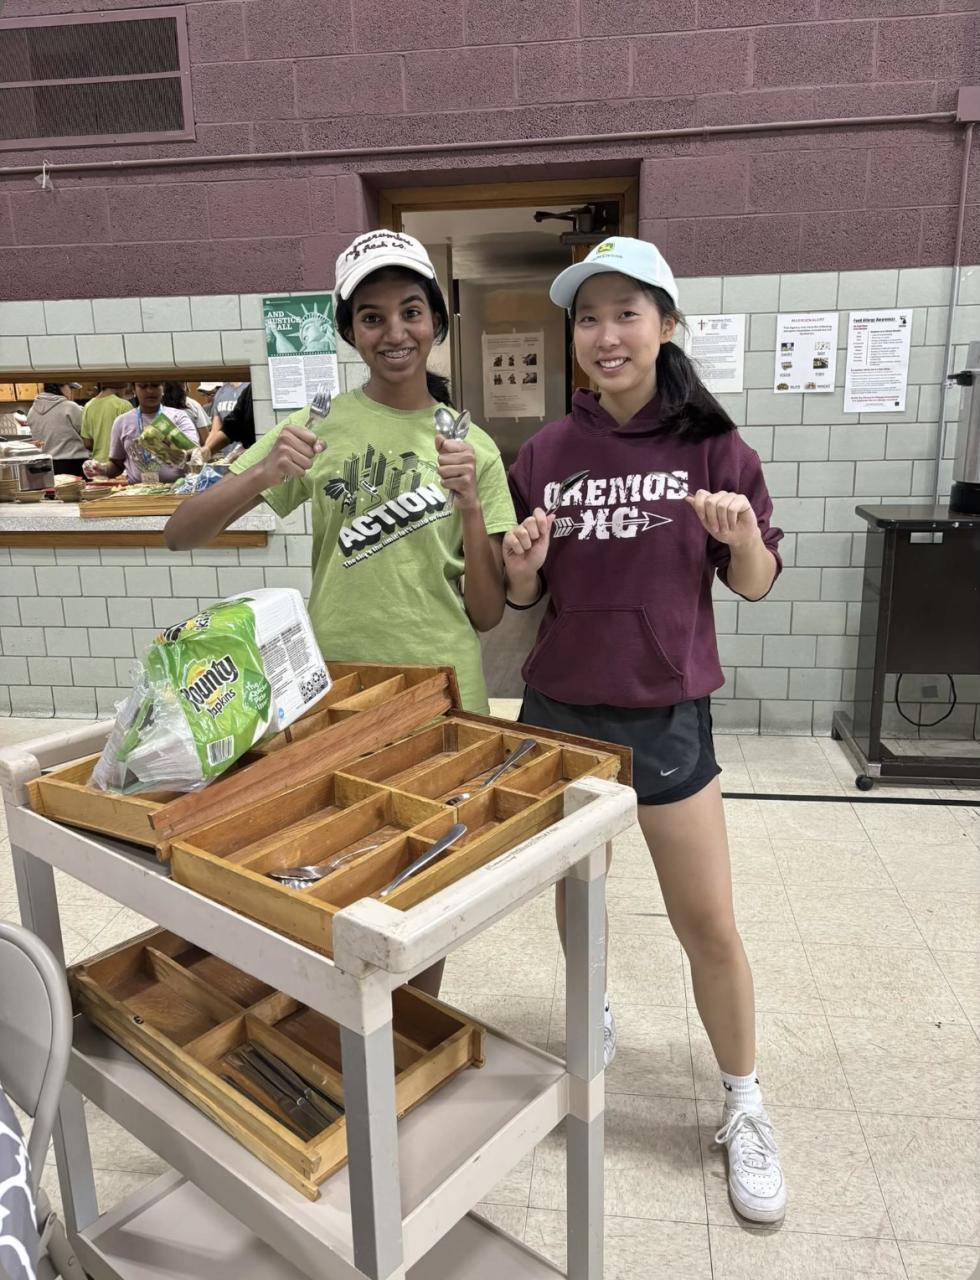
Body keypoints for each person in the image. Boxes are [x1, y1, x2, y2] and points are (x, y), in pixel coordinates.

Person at [502, 237, 787, 1225]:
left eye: (626, 312)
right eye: (588, 317)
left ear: (666, 325)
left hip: (664, 712)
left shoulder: (714, 446)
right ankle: (592, 1009)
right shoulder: (544, 454)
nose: (605, 334)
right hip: (560, 713)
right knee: (579, 894)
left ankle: (743, 1104)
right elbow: (523, 595)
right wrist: (522, 566)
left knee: (706, 922)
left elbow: (754, 582)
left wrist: (738, 538)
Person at [164, 231, 517, 992]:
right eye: (372, 317)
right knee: (334, 863)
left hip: (445, 695)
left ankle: (407, 1032)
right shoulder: (317, 429)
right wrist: (264, 470)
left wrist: (466, 504)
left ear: (437, 321)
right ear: (350, 332)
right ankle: (341, 1029)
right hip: (338, 691)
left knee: (426, 885)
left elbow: (488, 614)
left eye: (411, 311)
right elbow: (181, 533)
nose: (395, 333)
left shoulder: (474, 449)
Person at [92, 380, 198, 483]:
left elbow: (195, 453)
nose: (150, 391)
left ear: (163, 387)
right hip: (137, 490)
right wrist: (102, 469)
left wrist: (169, 450)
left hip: (176, 488)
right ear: (134, 389)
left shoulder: (178, 417)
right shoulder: (122, 421)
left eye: (155, 385)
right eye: (143, 386)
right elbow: (116, 464)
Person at [25, 382, 89, 476]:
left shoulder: (32, 410)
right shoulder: (70, 407)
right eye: (70, 388)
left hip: (46, 465)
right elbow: (87, 435)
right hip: (73, 464)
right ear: (60, 386)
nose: (71, 392)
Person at [81, 382, 134, 463]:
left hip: (97, 464)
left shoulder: (88, 406)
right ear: (121, 387)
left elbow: (87, 443)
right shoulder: (124, 405)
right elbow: (132, 440)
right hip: (120, 465)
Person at [201, 380, 249, 458]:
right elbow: (215, 430)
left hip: (248, 453)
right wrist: (205, 451)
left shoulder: (248, 388)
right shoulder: (220, 392)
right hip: (227, 455)